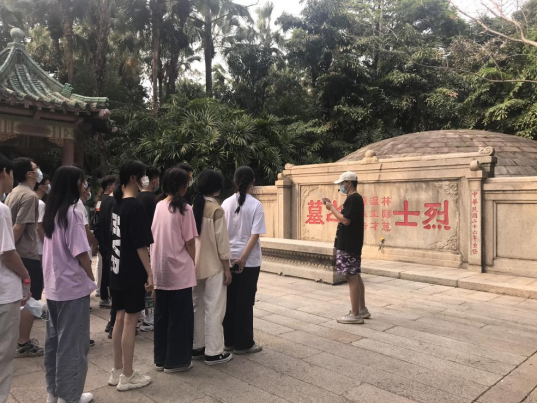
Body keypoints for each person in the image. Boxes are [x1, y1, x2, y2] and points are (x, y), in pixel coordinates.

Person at [42, 166, 96, 404]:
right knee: (73, 345)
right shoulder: (72, 213)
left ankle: (54, 394)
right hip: (73, 287)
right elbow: (81, 252)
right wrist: (91, 276)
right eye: (82, 182)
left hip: (55, 286)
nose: (85, 186)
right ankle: (70, 397)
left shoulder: (52, 211)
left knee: (54, 343)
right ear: (73, 184)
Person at [109, 161, 154, 391]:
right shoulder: (134, 207)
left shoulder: (116, 205)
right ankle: (127, 375)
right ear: (135, 179)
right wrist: (150, 273)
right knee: (130, 320)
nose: (146, 179)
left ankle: (117, 369)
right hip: (131, 271)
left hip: (116, 270)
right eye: (144, 176)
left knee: (119, 318)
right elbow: (140, 245)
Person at [150, 168, 197, 373]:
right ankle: (176, 361)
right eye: (187, 182)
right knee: (180, 317)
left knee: (162, 316)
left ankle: (161, 359)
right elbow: (190, 242)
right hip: (179, 270)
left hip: (160, 269)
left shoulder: (159, 205)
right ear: (181, 185)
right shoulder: (185, 209)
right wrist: (195, 263)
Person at [221, 166, 266, 355]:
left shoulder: (225, 203)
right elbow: (255, 235)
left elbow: (221, 233)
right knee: (245, 302)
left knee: (229, 301)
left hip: (228, 260)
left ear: (234, 181)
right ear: (253, 182)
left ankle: (229, 341)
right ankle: (244, 343)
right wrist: (243, 259)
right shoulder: (256, 205)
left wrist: (232, 259)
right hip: (249, 262)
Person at [192, 170, 233, 365]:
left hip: (194, 266)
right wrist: (227, 268)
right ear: (217, 188)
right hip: (214, 266)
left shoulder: (193, 207)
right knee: (214, 308)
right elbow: (222, 244)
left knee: (197, 307)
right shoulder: (216, 210)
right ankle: (214, 352)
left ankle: (197, 346)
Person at [4, 157, 44, 357]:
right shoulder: (30, 196)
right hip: (26, 254)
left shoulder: (12, 193)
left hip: (16, 253)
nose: (38, 171)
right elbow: (19, 228)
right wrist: (7, 248)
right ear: (29, 173)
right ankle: (24, 342)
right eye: (36, 168)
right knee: (31, 296)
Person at [0, 153, 31, 402]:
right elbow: (8, 253)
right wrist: (26, 275)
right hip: (3, 292)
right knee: (3, 355)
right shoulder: (1, 211)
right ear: (4, 173)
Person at [325, 171, 370, 324]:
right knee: (355, 275)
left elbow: (345, 220)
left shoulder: (353, 198)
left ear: (349, 183)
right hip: (352, 243)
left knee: (351, 276)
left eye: (342, 184)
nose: (341, 187)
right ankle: (361, 309)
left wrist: (332, 208)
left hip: (349, 244)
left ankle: (355, 314)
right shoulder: (355, 198)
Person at [136, 166, 160, 332]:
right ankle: (149, 318)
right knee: (150, 282)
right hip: (150, 245)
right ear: (154, 180)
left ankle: (141, 315)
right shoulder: (154, 200)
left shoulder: (136, 197)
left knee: (142, 280)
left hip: (138, 246)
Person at [93, 175, 117, 307]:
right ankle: (109, 296)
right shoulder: (113, 201)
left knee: (104, 269)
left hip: (102, 240)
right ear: (110, 187)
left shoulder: (100, 201)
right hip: (110, 241)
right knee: (110, 270)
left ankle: (104, 295)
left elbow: (96, 221)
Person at [34, 174, 51, 259]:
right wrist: (46, 244)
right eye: (47, 184)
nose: (49, 186)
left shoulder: (33, 201)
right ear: (41, 186)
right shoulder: (40, 204)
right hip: (39, 246)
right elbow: (39, 227)